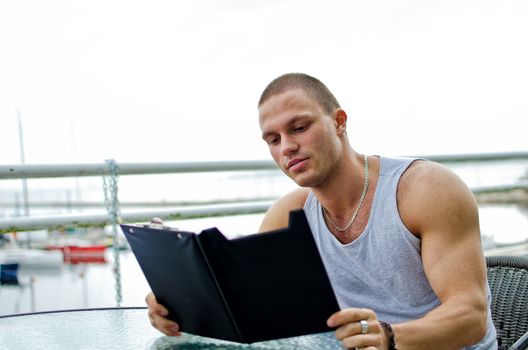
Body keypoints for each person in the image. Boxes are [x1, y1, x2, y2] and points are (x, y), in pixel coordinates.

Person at [146, 73, 497, 349]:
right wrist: (179, 307)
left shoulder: (424, 189)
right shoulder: (289, 214)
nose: (288, 147)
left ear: (339, 122)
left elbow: (470, 316)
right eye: (273, 139)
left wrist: (388, 338)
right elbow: (246, 306)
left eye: (299, 127)